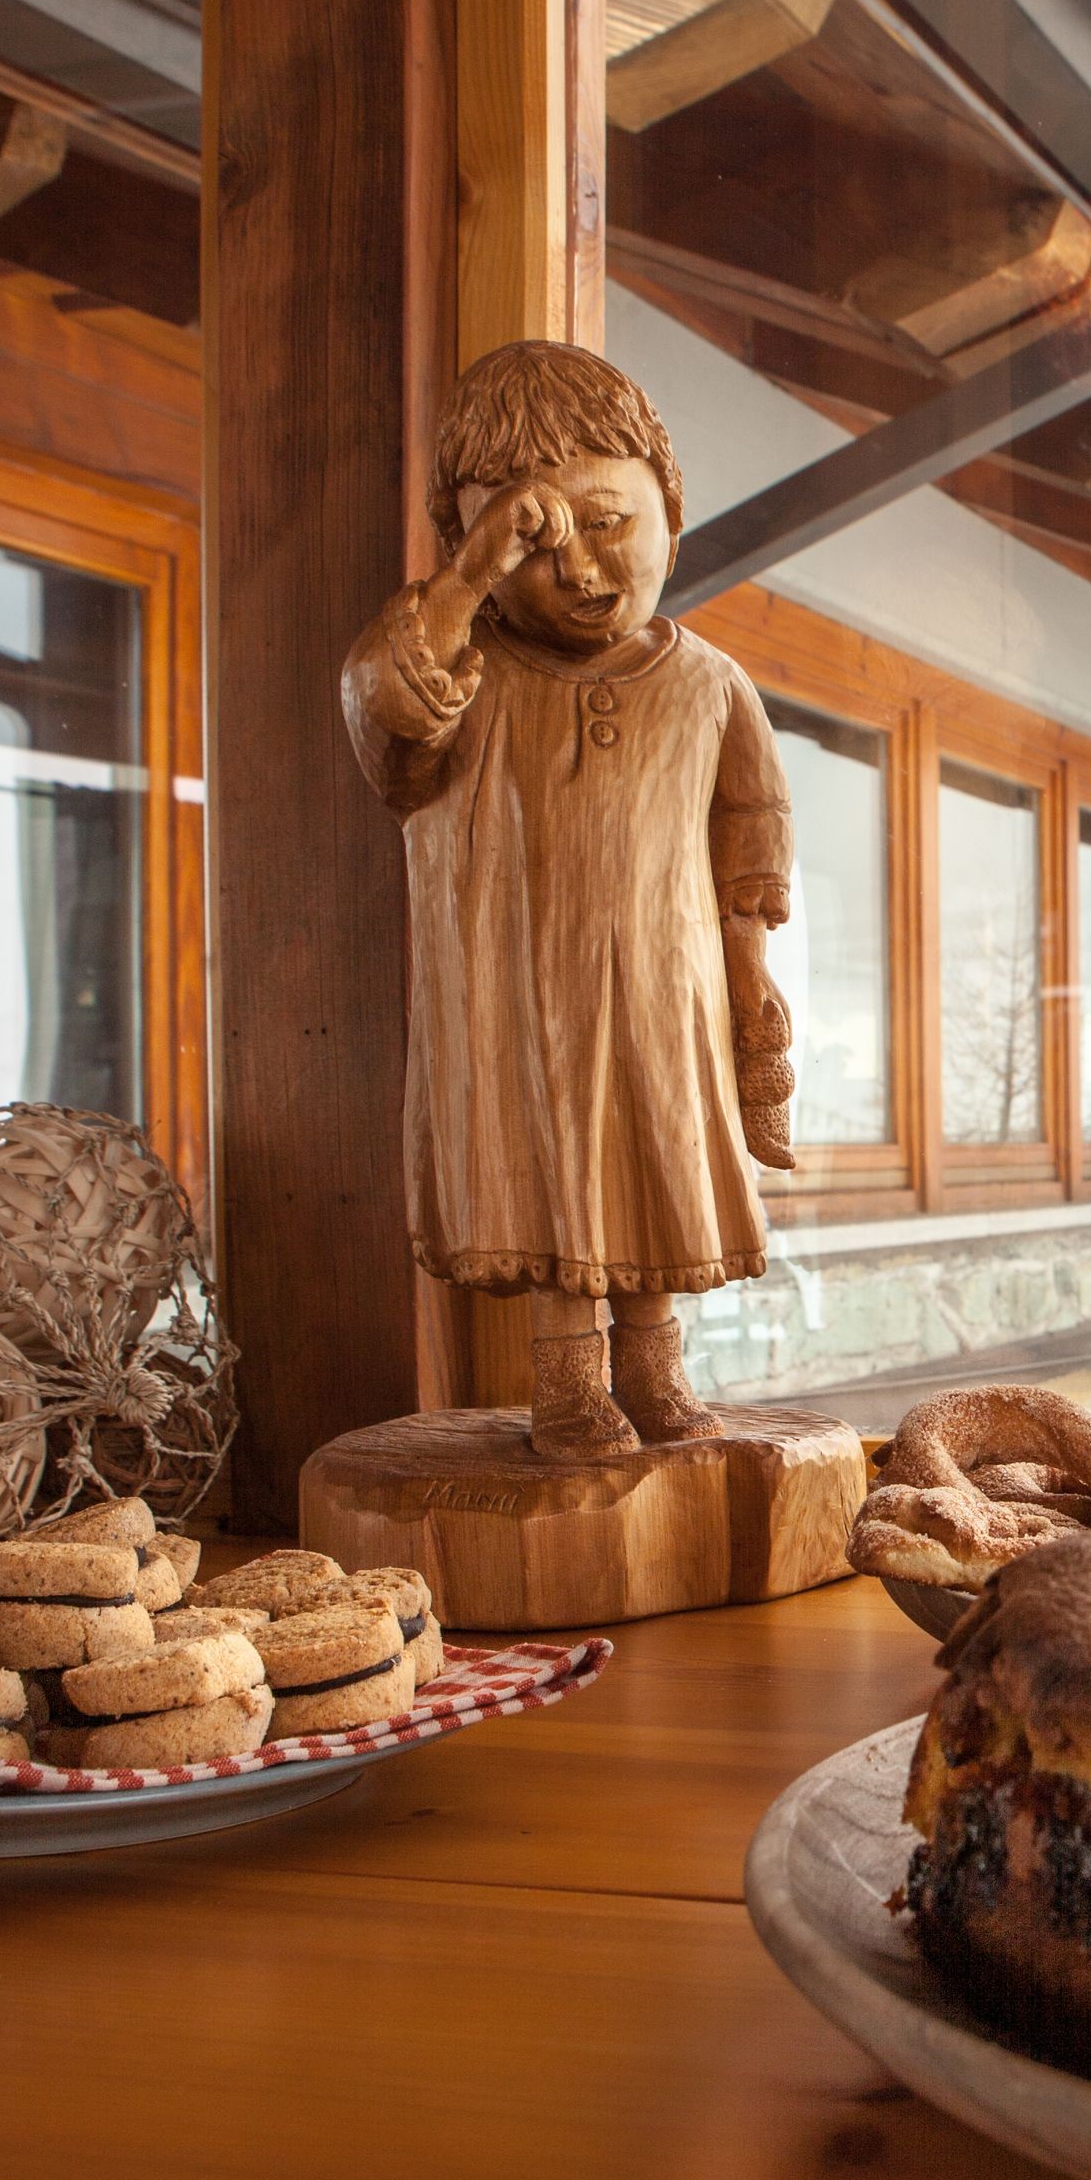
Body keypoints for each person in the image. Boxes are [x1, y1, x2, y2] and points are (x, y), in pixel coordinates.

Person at [338, 339, 794, 1460]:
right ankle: (569, 1388)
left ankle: (654, 1366)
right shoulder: (467, 669)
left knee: (656, 1161)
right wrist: (472, 570)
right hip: (516, 1003)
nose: (583, 569)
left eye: (610, 522)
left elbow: (747, 843)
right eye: (537, 542)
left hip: (663, 1001)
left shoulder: (707, 683)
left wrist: (752, 986)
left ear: (669, 510)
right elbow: (389, 714)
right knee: (550, 1180)